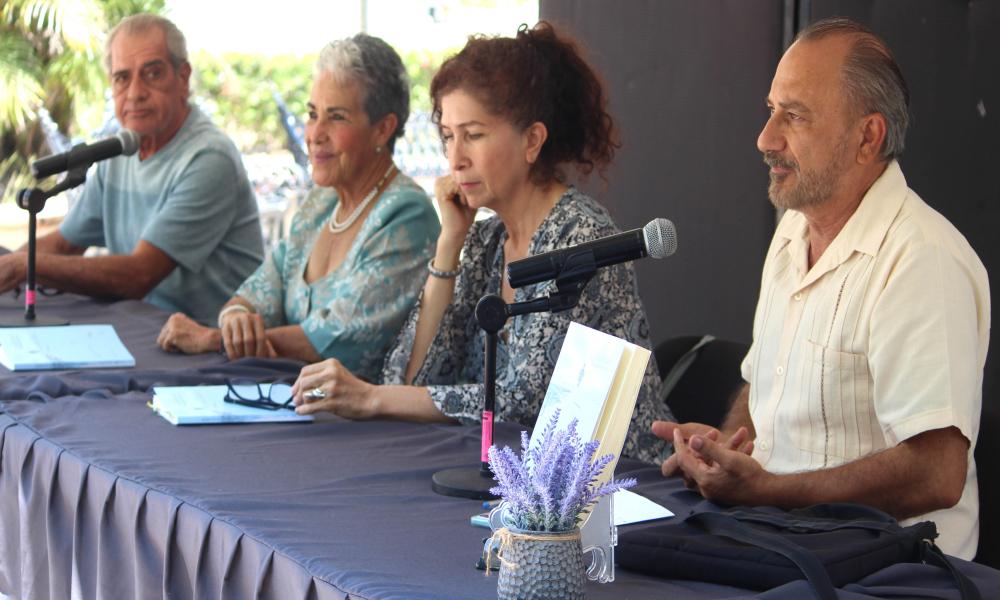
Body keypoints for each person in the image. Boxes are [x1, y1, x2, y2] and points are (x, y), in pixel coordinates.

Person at [653, 17, 989, 559]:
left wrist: (768, 490)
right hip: (784, 541)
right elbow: (764, 392)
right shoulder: (793, 229)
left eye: (796, 116)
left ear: (867, 137)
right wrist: (728, 451)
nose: (767, 138)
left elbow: (936, 473)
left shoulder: (920, 258)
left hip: (892, 570)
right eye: (771, 111)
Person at [287, 23, 673, 465]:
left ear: (532, 140)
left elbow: (523, 404)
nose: (455, 158)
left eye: (473, 134)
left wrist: (373, 398)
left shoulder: (581, 235)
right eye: (448, 136)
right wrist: (449, 241)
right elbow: (411, 377)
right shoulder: (488, 238)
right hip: (525, 482)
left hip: (622, 484)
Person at [156, 34, 440, 381]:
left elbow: (335, 340)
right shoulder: (320, 205)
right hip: (292, 402)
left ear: (383, 129)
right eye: (312, 114)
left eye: (336, 117)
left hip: (366, 425)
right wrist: (235, 320)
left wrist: (212, 340)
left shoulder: (405, 215)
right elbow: (254, 294)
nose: (314, 133)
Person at [0, 14, 263, 323]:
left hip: (211, 346)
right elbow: (64, 244)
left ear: (183, 78)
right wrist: (11, 263)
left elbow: (138, 276)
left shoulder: (208, 158)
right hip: (142, 328)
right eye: (122, 78)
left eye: (152, 73)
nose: (135, 92)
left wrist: (22, 266)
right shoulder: (119, 151)